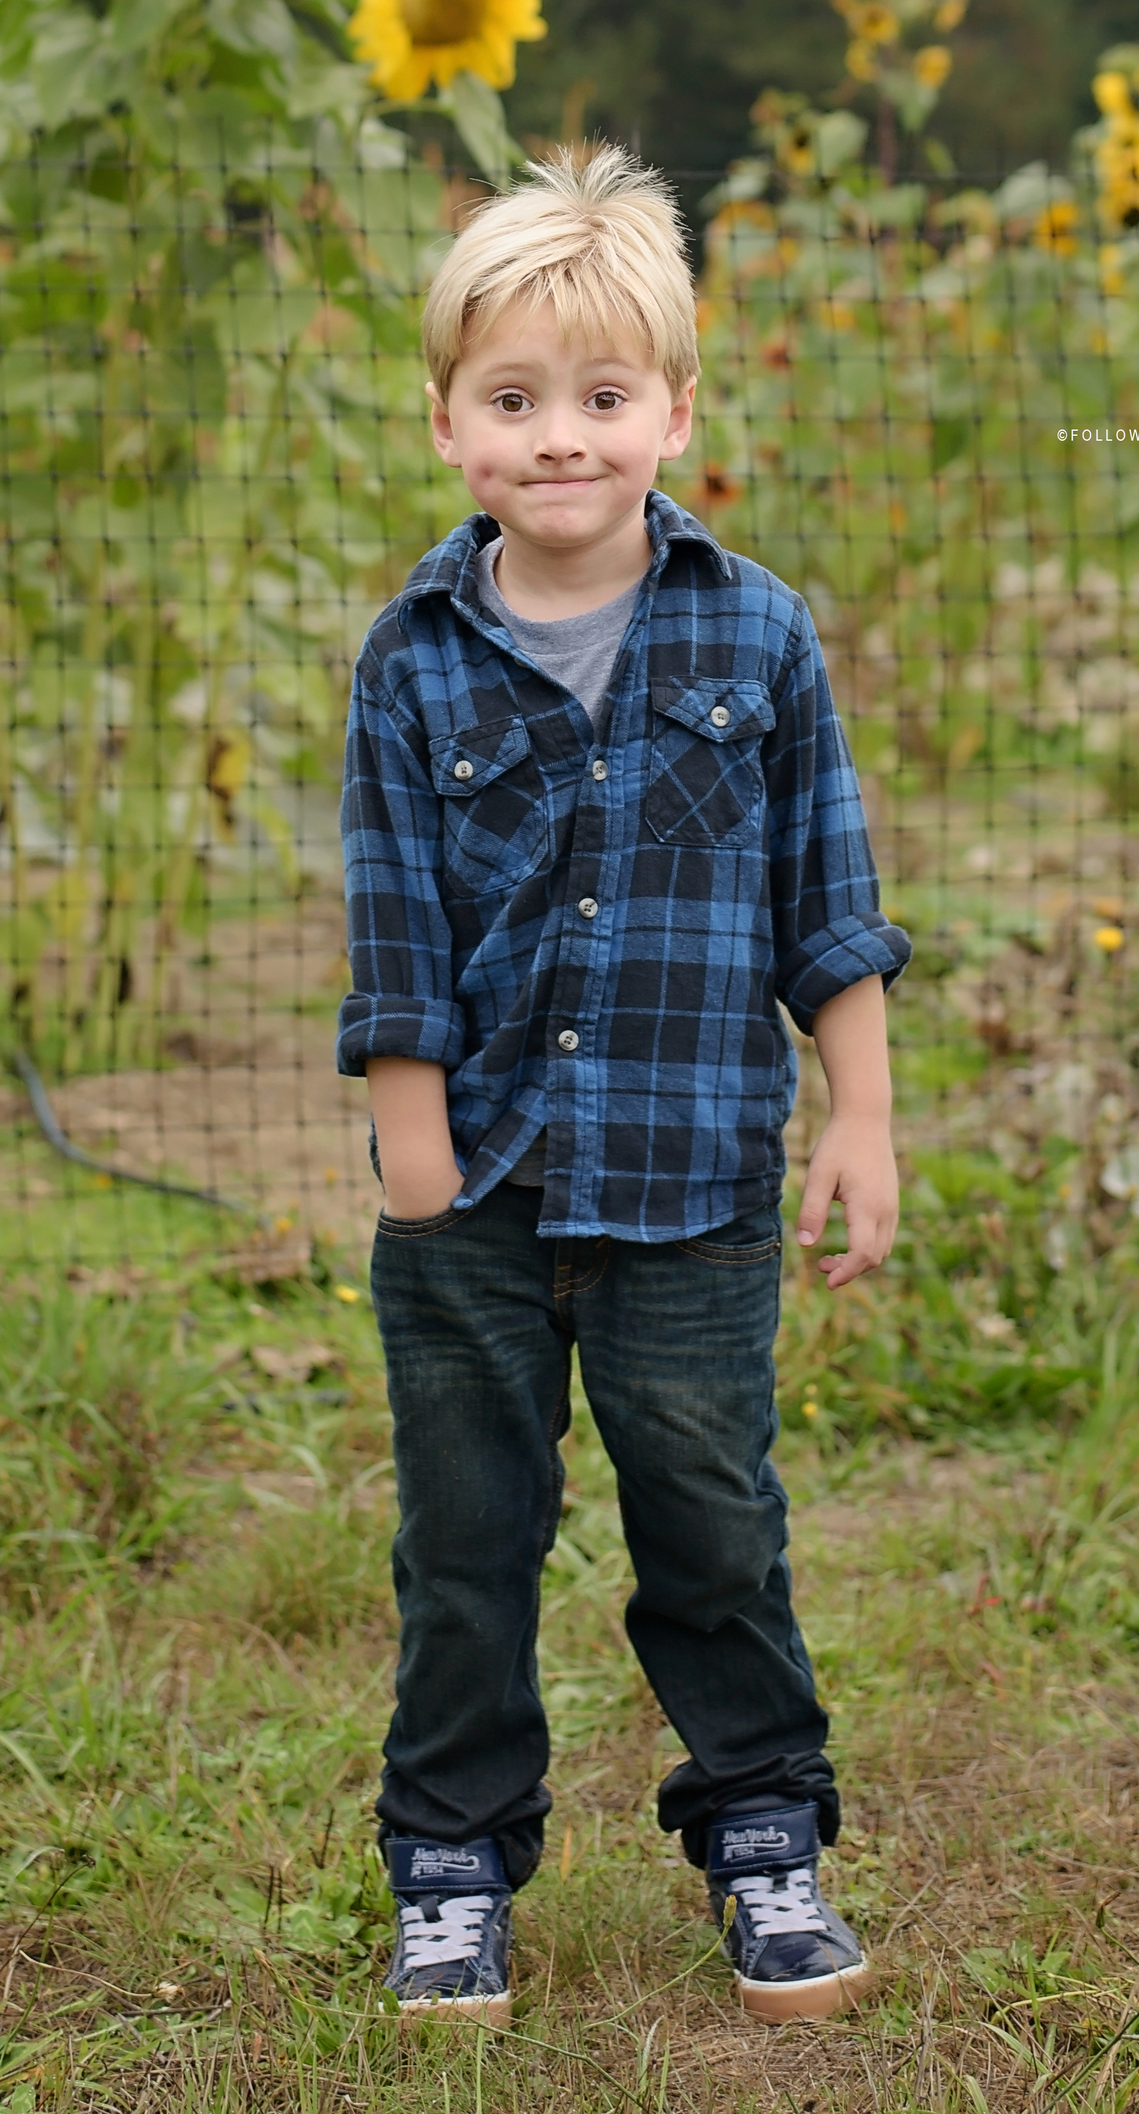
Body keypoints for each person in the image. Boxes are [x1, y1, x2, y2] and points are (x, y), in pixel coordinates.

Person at [338, 139, 909, 2030]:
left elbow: (829, 901)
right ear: (447, 422)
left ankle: (764, 1837)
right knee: (465, 1544)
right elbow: (394, 913)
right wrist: (412, 1149)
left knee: (712, 1523)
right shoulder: (412, 661)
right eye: (513, 400)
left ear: (676, 405)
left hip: (690, 1192)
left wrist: (861, 1114)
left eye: (601, 397)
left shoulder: (756, 632)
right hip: (473, 1198)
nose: (560, 437)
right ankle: (449, 1870)